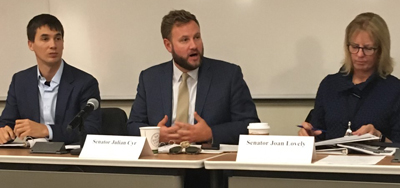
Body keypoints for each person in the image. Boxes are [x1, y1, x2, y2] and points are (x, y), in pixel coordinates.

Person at [127, 9, 259, 144]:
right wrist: (156, 134)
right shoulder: (150, 79)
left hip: (207, 161)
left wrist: (210, 133)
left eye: (197, 37)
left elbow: (251, 125)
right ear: (168, 45)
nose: (194, 46)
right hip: (163, 161)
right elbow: (132, 126)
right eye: (185, 40)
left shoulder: (228, 75)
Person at [298, 12, 400, 142]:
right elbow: (318, 133)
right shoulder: (329, 85)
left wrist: (379, 137)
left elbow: (398, 147)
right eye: (355, 47)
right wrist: (309, 135)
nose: (360, 54)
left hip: (376, 161)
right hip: (332, 161)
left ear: (381, 51)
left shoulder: (394, 90)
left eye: (368, 48)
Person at [0, 14, 101, 144]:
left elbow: (91, 130)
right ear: (31, 45)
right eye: (45, 39)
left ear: (63, 43)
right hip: (30, 159)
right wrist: (4, 131)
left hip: (69, 160)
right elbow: (6, 122)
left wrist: (47, 130)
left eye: (58, 38)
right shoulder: (20, 81)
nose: (53, 45)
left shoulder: (85, 82)